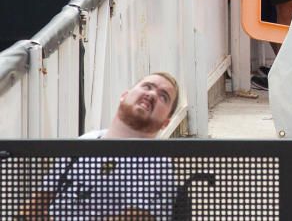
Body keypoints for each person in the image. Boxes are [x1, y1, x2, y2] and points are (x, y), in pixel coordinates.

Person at [20, 73, 180, 218]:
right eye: (147, 86)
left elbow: (137, 217)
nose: (152, 94)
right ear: (124, 96)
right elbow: (35, 204)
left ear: (165, 122)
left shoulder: (157, 164)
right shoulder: (84, 141)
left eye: (163, 97)